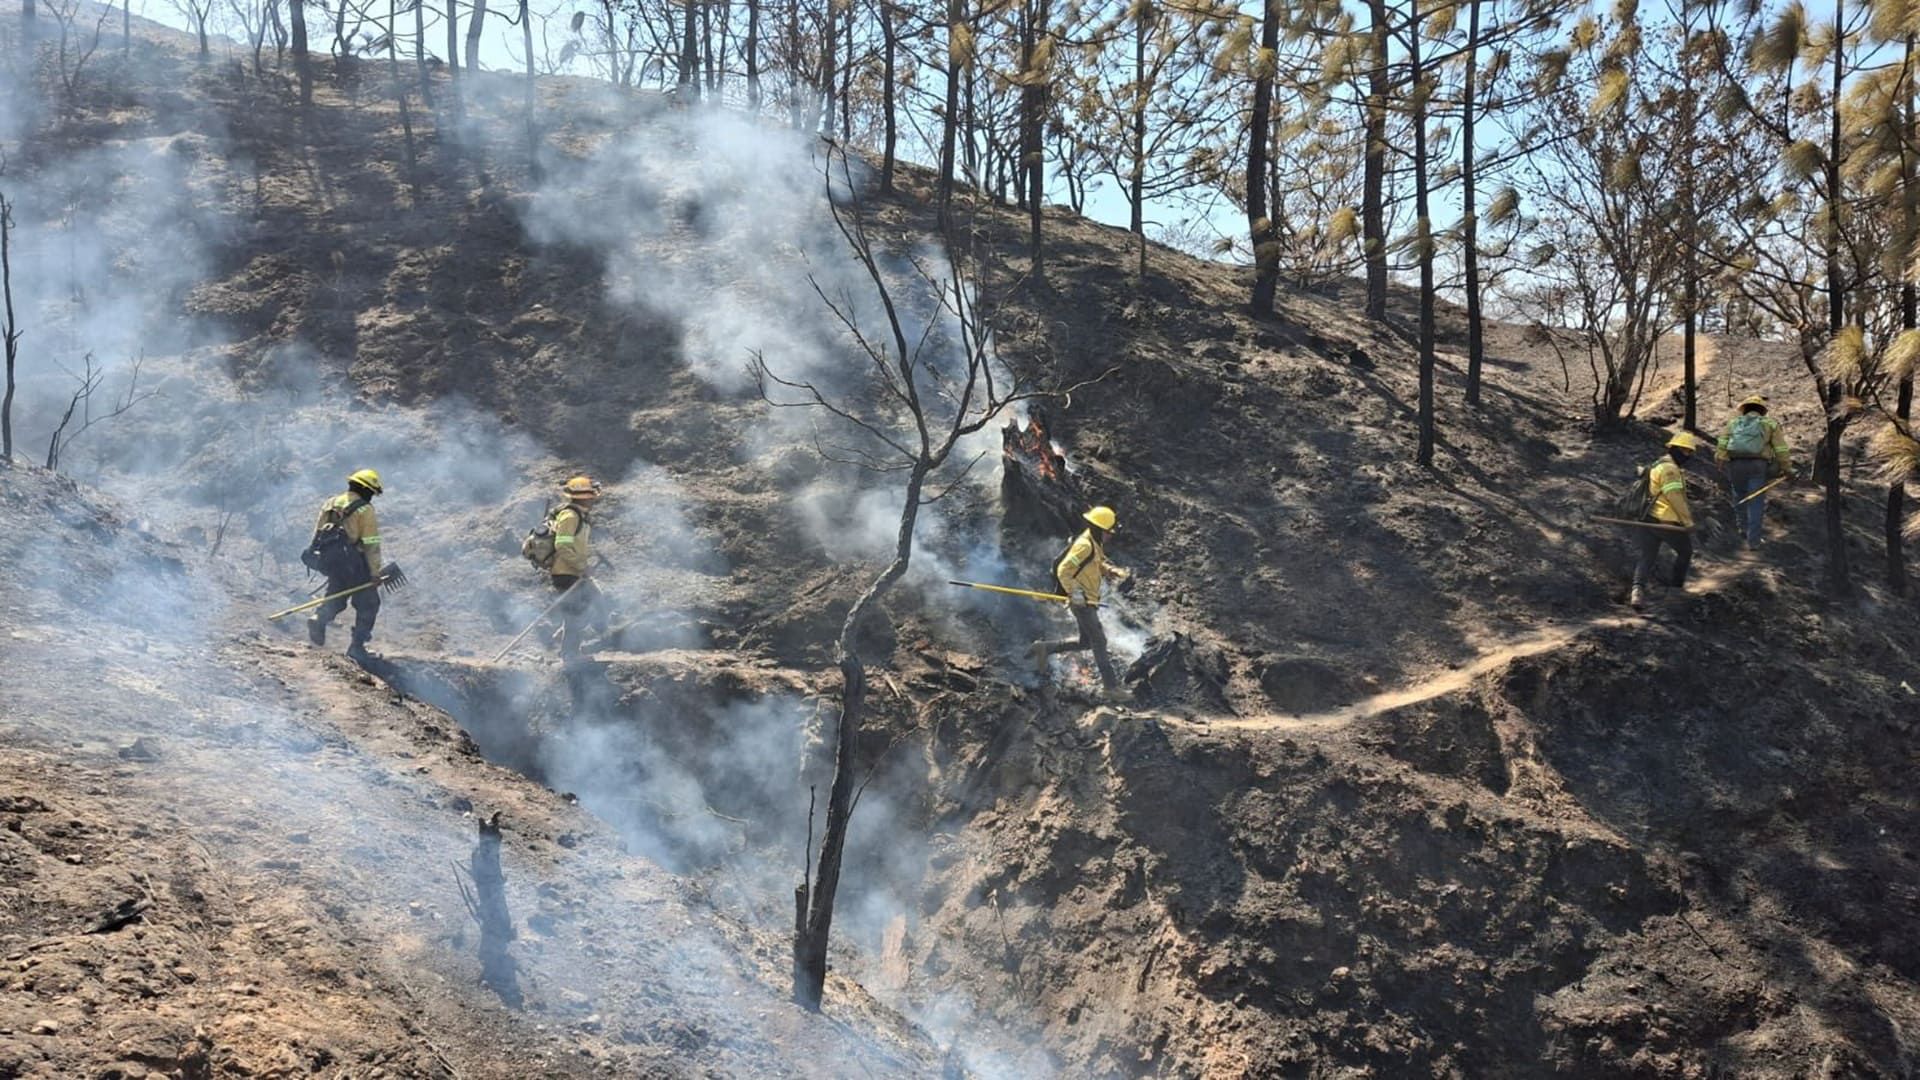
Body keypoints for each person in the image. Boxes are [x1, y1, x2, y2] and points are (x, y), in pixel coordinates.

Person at [1031, 506, 1129, 697]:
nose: (1110, 535)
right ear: (1100, 529)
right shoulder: (1084, 544)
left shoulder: (1093, 542)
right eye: (1108, 531)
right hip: (1081, 601)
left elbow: (1095, 562)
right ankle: (1111, 688)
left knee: (1086, 642)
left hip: (1088, 600)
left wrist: (1109, 571)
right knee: (1099, 640)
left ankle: (1044, 647)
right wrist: (1076, 594)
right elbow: (1064, 570)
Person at [307, 469, 385, 661]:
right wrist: (375, 573)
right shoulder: (365, 510)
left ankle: (319, 618)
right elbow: (371, 543)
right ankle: (357, 648)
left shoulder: (331, 503)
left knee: (336, 594)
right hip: (354, 562)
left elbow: (318, 532)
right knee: (369, 603)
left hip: (332, 561)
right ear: (366, 490)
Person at [1631, 434, 1700, 610]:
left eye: (1690, 452)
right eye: (1685, 451)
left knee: (1647, 556)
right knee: (1686, 552)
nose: (1688, 455)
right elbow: (1674, 497)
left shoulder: (1657, 465)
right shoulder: (1670, 470)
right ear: (1675, 449)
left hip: (1648, 519)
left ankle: (1637, 592)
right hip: (1667, 521)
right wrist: (1687, 522)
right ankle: (1675, 592)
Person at [1714, 394, 1792, 550]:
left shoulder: (1733, 423)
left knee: (1739, 496)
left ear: (1744, 409)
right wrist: (1786, 468)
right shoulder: (1770, 424)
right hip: (1758, 465)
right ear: (1762, 410)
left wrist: (1720, 461)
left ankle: (1742, 530)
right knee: (1755, 502)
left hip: (1735, 464)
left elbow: (1722, 443)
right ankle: (1754, 541)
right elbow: (1781, 448)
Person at [547, 475, 610, 659]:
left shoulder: (579, 516)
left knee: (594, 601)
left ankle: (566, 636)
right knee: (575, 614)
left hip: (575, 572)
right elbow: (562, 545)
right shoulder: (570, 516)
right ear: (585, 497)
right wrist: (582, 566)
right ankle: (569, 654)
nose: (594, 499)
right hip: (566, 574)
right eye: (591, 496)